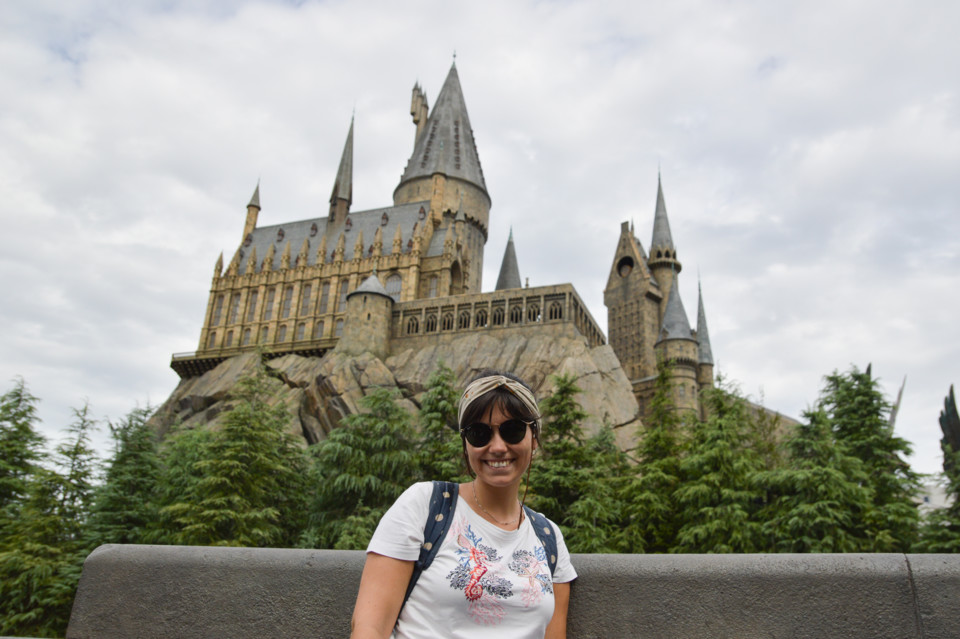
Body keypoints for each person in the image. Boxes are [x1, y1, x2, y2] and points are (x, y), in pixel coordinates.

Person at [350, 371, 577, 639]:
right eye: (479, 433)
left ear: (534, 438)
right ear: (465, 444)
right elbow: (370, 627)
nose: (498, 447)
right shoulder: (425, 505)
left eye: (513, 430)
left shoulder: (548, 537)